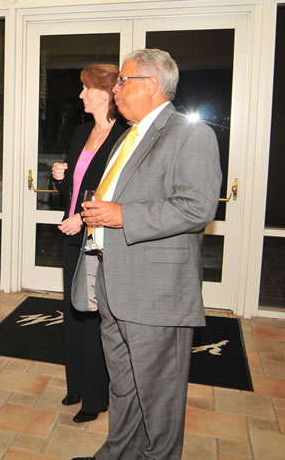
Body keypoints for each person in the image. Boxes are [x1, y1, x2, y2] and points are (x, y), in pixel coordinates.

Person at [71, 49, 221, 460]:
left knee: (159, 397)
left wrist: (122, 216)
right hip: (114, 281)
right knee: (123, 385)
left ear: (151, 85)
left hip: (156, 292)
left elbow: (198, 206)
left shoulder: (190, 134)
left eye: (124, 81)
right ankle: (117, 452)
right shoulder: (128, 135)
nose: (115, 89)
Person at [51, 64, 126, 423]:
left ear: (106, 94)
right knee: (74, 311)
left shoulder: (123, 137)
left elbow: (116, 193)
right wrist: (61, 178)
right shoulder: (82, 132)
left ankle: (96, 399)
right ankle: (76, 385)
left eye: (86, 89)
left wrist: (83, 217)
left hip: (101, 240)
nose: (81, 95)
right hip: (73, 235)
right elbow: (73, 191)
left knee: (96, 316)